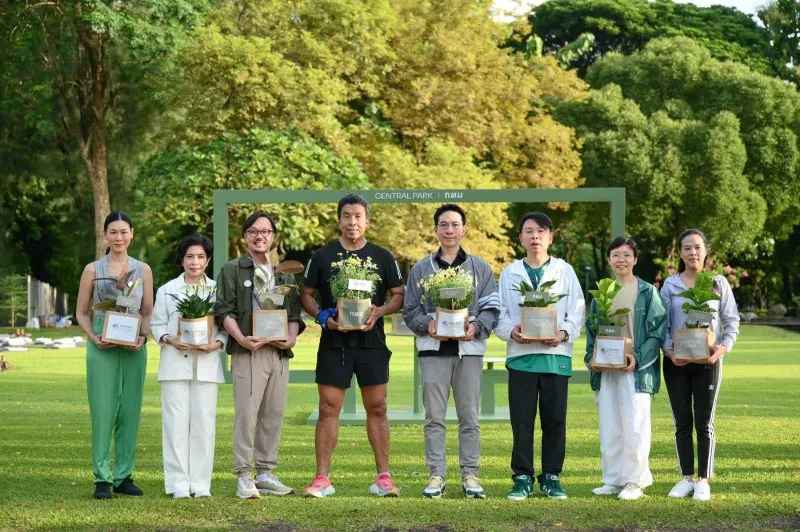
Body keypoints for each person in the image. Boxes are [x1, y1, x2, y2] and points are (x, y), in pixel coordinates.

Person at [300, 194, 405, 498]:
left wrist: (380, 311)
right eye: (347, 216)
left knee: (378, 407)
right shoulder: (322, 256)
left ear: (367, 221)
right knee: (328, 408)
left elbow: (398, 294)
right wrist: (321, 315)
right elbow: (305, 293)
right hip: (335, 343)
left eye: (358, 216)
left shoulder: (383, 257)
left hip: (372, 343)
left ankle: (383, 478)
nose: (352, 222)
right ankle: (322, 479)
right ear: (339, 220)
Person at [403, 204, 500, 499]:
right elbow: (410, 310)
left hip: (468, 351)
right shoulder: (421, 269)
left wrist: (477, 327)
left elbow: (492, 307)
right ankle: (436, 475)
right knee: (434, 417)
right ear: (436, 230)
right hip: (433, 351)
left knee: (469, 417)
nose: (449, 230)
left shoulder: (480, 268)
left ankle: (470, 475)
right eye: (443, 224)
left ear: (464, 229)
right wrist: (427, 323)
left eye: (455, 224)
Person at [214, 212, 305, 499]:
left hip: (278, 354)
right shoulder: (232, 269)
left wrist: (290, 337)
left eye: (265, 231)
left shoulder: (284, 273)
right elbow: (223, 311)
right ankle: (244, 475)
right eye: (253, 231)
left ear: (273, 237)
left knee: (273, 414)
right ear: (245, 236)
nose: (259, 236)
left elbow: (293, 314)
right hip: (248, 351)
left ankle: (266, 472)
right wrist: (241, 338)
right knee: (247, 415)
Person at [495, 212, 584, 501]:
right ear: (520, 237)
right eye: (529, 231)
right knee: (521, 421)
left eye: (541, 231)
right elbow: (501, 315)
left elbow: (577, 310)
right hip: (521, 357)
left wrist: (563, 334)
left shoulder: (564, 270)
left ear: (550, 237)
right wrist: (512, 332)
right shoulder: (510, 272)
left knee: (554, 420)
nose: (535, 236)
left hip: (555, 356)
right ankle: (522, 477)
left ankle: (551, 477)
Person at [75, 211, 154, 500]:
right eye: (113, 232)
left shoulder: (143, 269)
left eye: (124, 231)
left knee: (130, 410)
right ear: (105, 235)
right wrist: (94, 337)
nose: (119, 237)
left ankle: (124, 476)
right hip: (102, 338)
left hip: (133, 341)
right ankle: (101, 478)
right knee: (103, 408)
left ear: (132, 233)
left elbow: (147, 311)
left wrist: (143, 337)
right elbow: (81, 312)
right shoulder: (92, 269)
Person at [660, 229, 740, 501]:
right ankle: (686, 478)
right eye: (687, 248)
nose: (692, 252)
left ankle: (704, 480)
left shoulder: (718, 283)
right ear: (680, 253)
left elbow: (732, 321)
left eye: (697, 247)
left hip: (708, 362)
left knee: (704, 422)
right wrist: (669, 351)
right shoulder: (670, 286)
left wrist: (722, 348)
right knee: (682, 422)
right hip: (676, 364)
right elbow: (662, 326)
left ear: (705, 252)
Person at [584, 237, 666, 500]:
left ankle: (634, 481)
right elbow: (592, 330)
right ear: (609, 259)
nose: (621, 260)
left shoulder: (646, 292)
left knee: (635, 425)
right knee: (610, 425)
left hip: (635, 371)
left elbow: (657, 331)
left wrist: (638, 358)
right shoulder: (603, 291)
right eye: (616, 255)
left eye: (627, 255)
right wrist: (590, 358)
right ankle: (613, 479)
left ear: (635, 259)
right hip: (607, 370)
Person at [151, 234, 227, 499]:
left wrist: (216, 343)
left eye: (201, 257)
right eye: (190, 257)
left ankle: (201, 483)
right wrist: (171, 339)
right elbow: (156, 324)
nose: (195, 262)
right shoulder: (166, 290)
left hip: (207, 364)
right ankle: (178, 483)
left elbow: (224, 328)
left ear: (207, 260)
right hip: (174, 365)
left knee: (205, 425)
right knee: (174, 425)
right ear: (182, 260)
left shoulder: (218, 290)